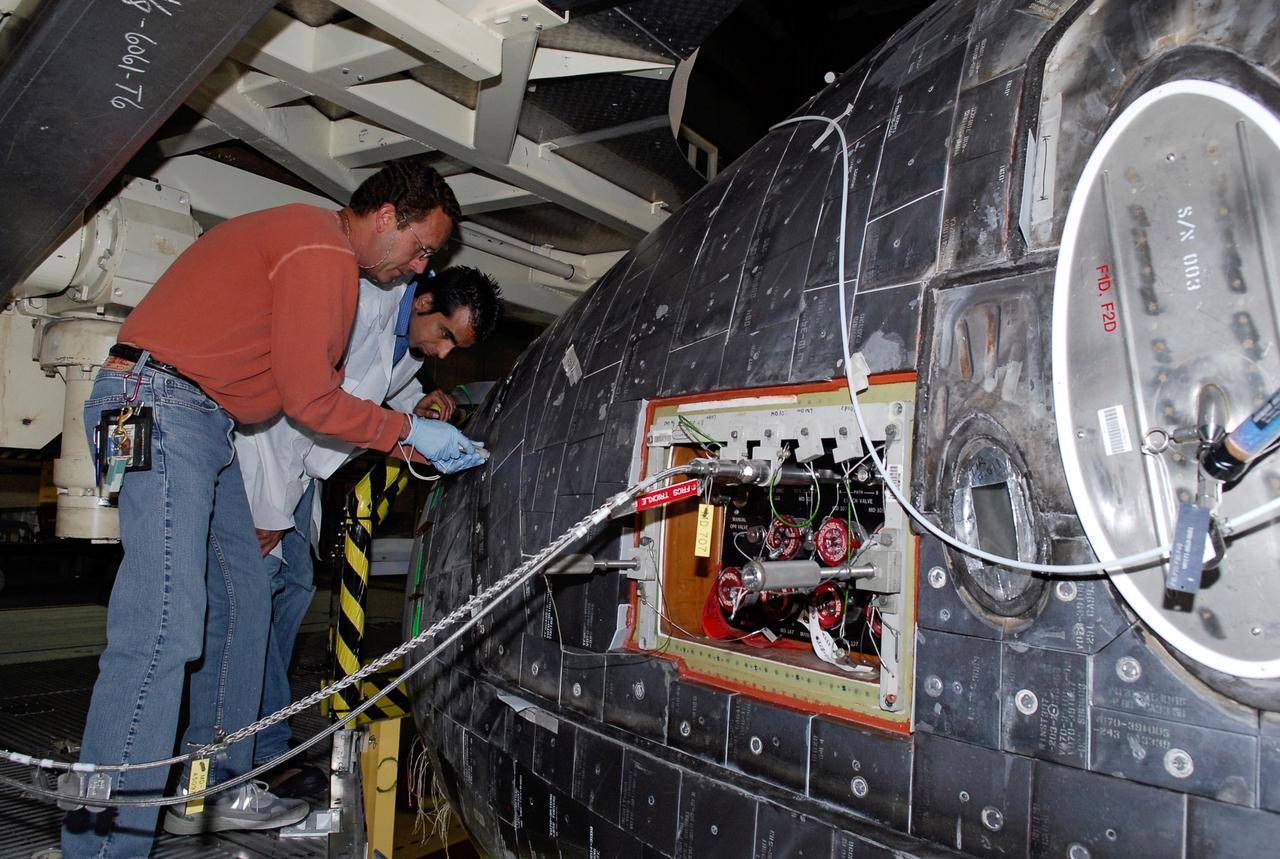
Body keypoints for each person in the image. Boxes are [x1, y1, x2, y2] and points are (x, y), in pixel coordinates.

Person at [63, 157, 486, 859]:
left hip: (203, 421)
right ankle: (103, 846)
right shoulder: (319, 247)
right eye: (420, 248)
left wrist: (410, 423)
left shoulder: (322, 255)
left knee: (243, 599)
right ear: (387, 216)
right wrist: (409, 434)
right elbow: (309, 399)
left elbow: (300, 390)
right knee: (164, 627)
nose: (419, 268)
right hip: (154, 406)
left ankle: (212, 783)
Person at [238, 266, 502, 796]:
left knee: (284, 599)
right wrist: (267, 509)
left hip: (299, 478)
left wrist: (419, 409)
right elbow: (293, 408)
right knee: (244, 612)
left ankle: (266, 752)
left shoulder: (406, 347)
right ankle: (231, 761)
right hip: (263, 464)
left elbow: (382, 392)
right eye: (446, 335)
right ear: (424, 302)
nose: (445, 354)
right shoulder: (354, 311)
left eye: (456, 347)